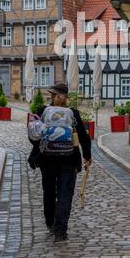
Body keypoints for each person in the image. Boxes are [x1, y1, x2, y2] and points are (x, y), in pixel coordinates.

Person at [28, 83, 92, 242]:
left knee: (48, 191)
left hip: (46, 159)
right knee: (65, 193)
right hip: (69, 159)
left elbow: (33, 137)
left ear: (53, 95)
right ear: (66, 98)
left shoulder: (42, 111)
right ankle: (60, 230)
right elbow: (84, 137)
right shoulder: (73, 113)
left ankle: (50, 222)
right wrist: (87, 156)